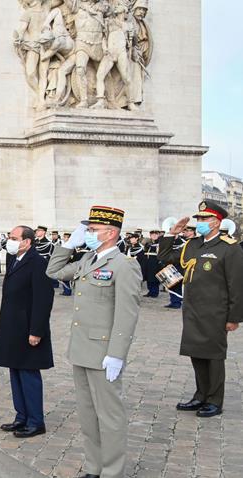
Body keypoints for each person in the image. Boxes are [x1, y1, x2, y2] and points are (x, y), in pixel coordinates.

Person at [47, 205, 141, 478]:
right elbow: (53, 272)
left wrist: (117, 354)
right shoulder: (88, 259)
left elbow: (127, 314)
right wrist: (67, 245)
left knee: (110, 417)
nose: (88, 234)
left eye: (93, 230)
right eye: (87, 230)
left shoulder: (124, 266)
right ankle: (94, 466)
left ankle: (112, 471)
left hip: (104, 352)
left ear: (110, 233)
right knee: (88, 415)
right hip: (81, 349)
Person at [158, 200, 243, 418]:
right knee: (196, 353)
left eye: (205, 219)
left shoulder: (229, 248)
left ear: (217, 222)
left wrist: (234, 317)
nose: (200, 222)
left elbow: (236, 285)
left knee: (213, 356)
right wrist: (171, 233)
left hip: (216, 312)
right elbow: (165, 258)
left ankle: (214, 400)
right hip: (193, 309)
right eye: (199, 219)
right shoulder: (193, 245)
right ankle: (200, 395)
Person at [0, 225, 54, 439]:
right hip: (12, 328)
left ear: (26, 241)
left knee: (29, 373)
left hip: (29, 328)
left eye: (13, 237)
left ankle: (36, 421)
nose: (9, 240)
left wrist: (36, 330)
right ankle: (21, 416)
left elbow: (42, 300)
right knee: (15, 371)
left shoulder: (38, 263)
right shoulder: (14, 260)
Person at [143, 230, 162, 298]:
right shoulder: (148, 244)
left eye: (156, 234)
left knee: (154, 278)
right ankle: (150, 291)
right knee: (148, 277)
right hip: (148, 263)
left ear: (158, 235)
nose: (154, 235)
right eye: (152, 234)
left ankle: (155, 292)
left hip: (156, 263)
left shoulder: (160, 243)